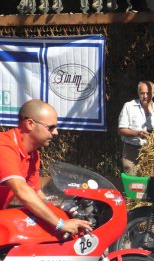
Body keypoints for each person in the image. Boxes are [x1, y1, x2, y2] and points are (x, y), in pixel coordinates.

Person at [0, 99, 92, 235]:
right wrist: (60, 223)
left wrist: (65, 208)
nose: (56, 133)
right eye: (50, 127)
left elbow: (37, 194)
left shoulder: (33, 155)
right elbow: (21, 190)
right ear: (30, 124)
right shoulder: (4, 146)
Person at [118, 80, 154, 175]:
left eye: (148, 93)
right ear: (138, 93)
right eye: (142, 93)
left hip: (153, 152)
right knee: (133, 182)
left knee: (150, 182)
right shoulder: (129, 106)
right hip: (132, 152)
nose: (145, 96)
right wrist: (137, 133)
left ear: (153, 93)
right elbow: (121, 130)